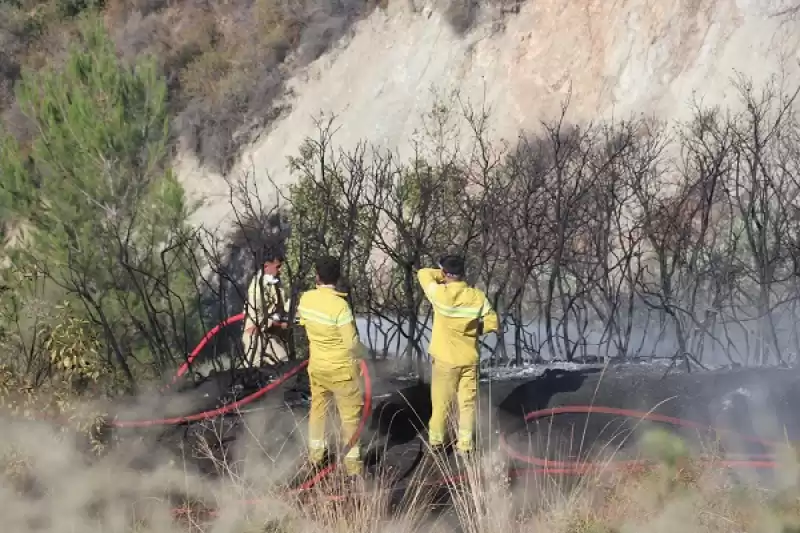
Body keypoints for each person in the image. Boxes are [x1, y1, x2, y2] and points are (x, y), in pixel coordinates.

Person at [417, 255, 498, 456]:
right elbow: (493, 322)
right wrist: (474, 330)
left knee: (441, 405)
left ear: (445, 274)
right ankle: (465, 446)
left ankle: (436, 443)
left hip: (445, 361)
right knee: (467, 405)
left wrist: (442, 275)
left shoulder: (439, 293)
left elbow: (423, 273)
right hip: (469, 360)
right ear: (463, 274)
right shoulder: (477, 297)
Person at [296, 255, 367, 476]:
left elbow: (304, 324)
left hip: (317, 368)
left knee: (318, 410)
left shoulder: (306, 299)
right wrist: (365, 355)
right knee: (350, 417)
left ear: (317, 276)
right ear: (338, 277)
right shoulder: (340, 307)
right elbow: (351, 343)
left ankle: (316, 456)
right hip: (342, 371)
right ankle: (353, 466)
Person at [241, 248, 291, 368]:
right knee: (252, 375)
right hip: (255, 338)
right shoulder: (257, 289)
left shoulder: (276, 284)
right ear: (266, 266)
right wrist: (279, 324)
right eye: (278, 267)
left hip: (269, 335)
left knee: (284, 362)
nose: (280, 270)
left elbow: (284, 305)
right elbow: (256, 322)